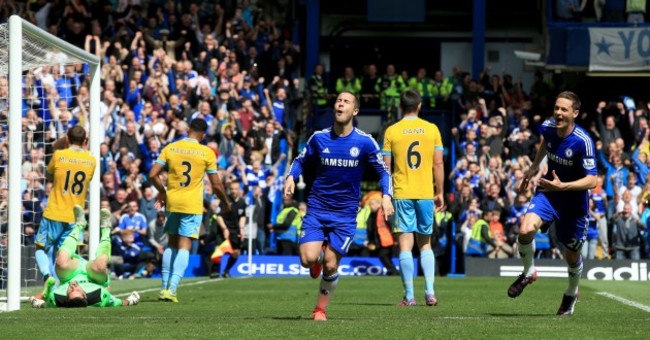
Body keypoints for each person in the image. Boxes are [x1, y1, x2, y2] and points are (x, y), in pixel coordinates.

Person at [284, 91, 394, 321]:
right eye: (338, 100)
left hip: (344, 214)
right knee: (307, 260)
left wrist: (386, 196)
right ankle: (315, 261)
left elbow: (383, 171)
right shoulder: (319, 138)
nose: (340, 103)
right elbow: (300, 160)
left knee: (331, 264)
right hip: (317, 209)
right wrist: (291, 177)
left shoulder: (365, 142)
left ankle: (319, 309)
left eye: (346, 101)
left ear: (355, 111)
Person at [508, 91, 597, 316]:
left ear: (574, 113)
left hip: (574, 203)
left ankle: (571, 293)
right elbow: (544, 143)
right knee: (526, 229)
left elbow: (592, 180)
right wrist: (532, 169)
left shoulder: (583, 141)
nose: (558, 112)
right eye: (556, 108)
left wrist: (564, 186)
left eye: (563, 109)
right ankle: (528, 272)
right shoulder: (548, 126)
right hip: (549, 192)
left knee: (571, 255)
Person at [149, 118, 230, 303]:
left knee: (171, 243)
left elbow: (152, 174)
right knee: (185, 245)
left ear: (188, 130)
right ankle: (173, 289)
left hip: (173, 201)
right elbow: (216, 184)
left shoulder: (171, 148)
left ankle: (163, 288)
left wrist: (162, 192)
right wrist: (225, 202)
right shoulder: (206, 152)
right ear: (202, 134)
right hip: (192, 204)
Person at [381, 89, 444, 307]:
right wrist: (440, 192)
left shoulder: (392, 131)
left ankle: (409, 296)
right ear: (419, 106)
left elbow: (385, 168)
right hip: (425, 193)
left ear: (401, 106)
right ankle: (430, 293)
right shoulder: (432, 129)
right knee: (425, 244)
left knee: (405, 246)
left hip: (402, 193)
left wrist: (386, 195)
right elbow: (438, 163)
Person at [29, 206, 140, 308]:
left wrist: (37, 302)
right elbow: (119, 302)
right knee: (100, 265)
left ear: (66, 298)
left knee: (61, 261)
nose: (73, 286)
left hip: (69, 274)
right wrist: (131, 300)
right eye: (76, 289)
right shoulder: (99, 297)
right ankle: (106, 228)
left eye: (70, 290)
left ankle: (80, 225)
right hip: (95, 277)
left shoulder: (57, 298)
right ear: (85, 295)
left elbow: (45, 305)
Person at [35, 126, 96, 283]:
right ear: (85, 141)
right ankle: (56, 289)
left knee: (41, 248)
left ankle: (47, 276)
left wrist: (65, 141)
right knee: (63, 255)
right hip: (75, 218)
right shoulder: (91, 160)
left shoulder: (58, 155)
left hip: (54, 212)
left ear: (67, 138)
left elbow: (48, 175)